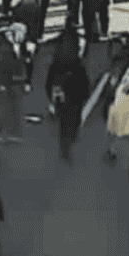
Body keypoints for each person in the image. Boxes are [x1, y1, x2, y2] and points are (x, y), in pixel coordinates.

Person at [44, 34, 89, 165]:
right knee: (73, 123)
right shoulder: (78, 65)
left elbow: (49, 84)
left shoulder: (56, 64)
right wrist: (84, 95)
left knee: (64, 126)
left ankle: (64, 150)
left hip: (63, 100)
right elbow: (84, 84)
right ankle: (67, 147)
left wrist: (51, 99)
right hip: (74, 100)